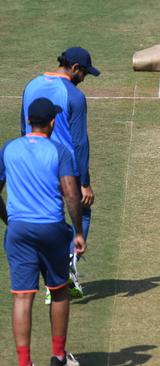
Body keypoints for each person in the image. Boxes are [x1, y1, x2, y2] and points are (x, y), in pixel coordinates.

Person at [2, 98, 86, 366]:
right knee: (59, 290)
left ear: (29, 121)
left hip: (19, 230)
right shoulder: (59, 151)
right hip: (51, 229)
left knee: (22, 297)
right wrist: (79, 231)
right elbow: (72, 195)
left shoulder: (9, 149)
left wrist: (9, 219)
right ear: (51, 122)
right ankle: (58, 356)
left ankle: (24, 363)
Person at [21, 46, 99, 301]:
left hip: (35, 165)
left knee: (50, 216)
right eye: (84, 73)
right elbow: (80, 143)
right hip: (66, 168)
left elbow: (25, 129)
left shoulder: (30, 86)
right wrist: (85, 183)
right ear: (75, 68)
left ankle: (53, 278)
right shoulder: (74, 96)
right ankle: (63, 271)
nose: (84, 78)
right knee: (82, 211)